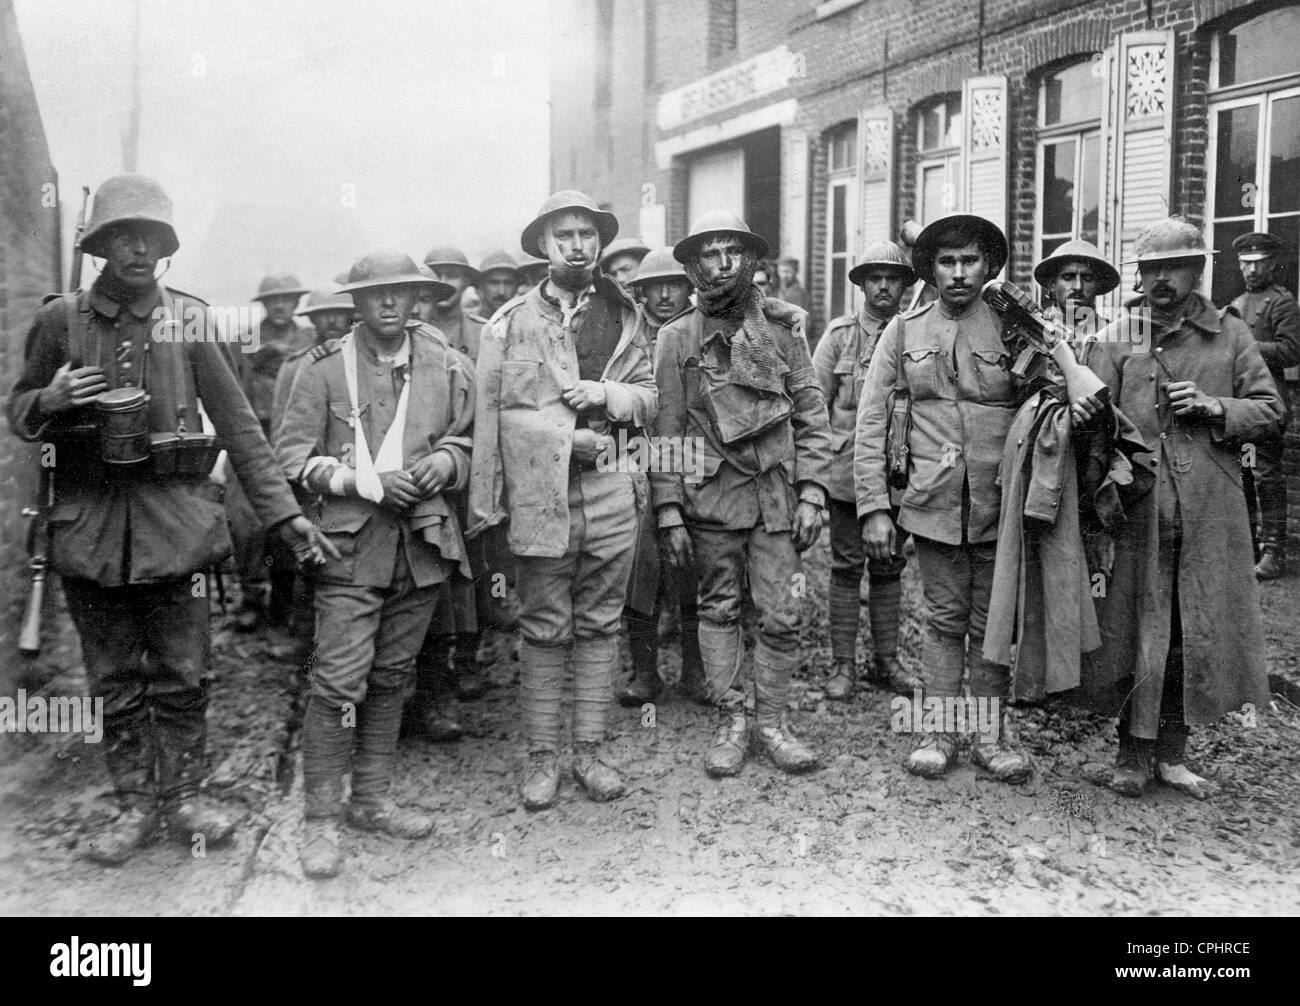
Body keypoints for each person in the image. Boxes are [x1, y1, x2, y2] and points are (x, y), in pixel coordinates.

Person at [7, 173, 334, 866]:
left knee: (185, 669)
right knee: (114, 675)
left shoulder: (188, 316)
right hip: (88, 526)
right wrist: (54, 398)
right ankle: (133, 804)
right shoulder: (59, 321)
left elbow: (241, 427)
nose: (140, 250)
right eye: (126, 236)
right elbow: (19, 411)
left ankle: (184, 794)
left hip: (175, 527)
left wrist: (284, 518)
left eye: (153, 238)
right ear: (101, 246)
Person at [277, 249, 474, 877]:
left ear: (418, 297)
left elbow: (468, 439)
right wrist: (362, 483)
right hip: (350, 546)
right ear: (355, 302)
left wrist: (447, 462)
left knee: (394, 676)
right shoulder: (325, 368)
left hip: (421, 543)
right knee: (338, 680)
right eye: (374, 294)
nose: (389, 304)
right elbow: (291, 458)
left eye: (401, 293)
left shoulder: (445, 363)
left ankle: (371, 799)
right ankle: (321, 820)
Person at [1077, 218, 1280, 799]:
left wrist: (1217, 408)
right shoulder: (1118, 335)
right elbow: (1096, 429)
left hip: (1209, 509)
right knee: (1135, 629)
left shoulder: (1231, 336)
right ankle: (1130, 754)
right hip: (1138, 510)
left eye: (1174, 267)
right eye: (1150, 269)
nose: (1160, 279)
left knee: (1191, 630)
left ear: (1198, 270)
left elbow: (1270, 411)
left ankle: (1172, 755)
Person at [468, 189, 657, 810]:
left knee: (602, 624)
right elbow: (493, 422)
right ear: (544, 246)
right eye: (564, 236)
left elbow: (652, 396)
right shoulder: (508, 326)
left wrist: (611, 397)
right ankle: (543, 758)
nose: (578, 245)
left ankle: (591, 753)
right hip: (540, 496)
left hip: (610, 488)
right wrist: (558, 440)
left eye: (587, 235)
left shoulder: (625, 315)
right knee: (545, 628)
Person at [652, 211, 832, 779]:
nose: (724, 264)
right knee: (719, 608)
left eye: (735, 252)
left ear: (751, 261)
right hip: (712, 501)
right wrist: (669, 510)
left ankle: (774, 723)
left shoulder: (782, 331)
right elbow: (667, 432)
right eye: (711, 253)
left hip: (776, 497)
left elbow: (811, 415)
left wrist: (813, 492)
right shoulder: (676, 337)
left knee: (781, 614)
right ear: (693, 265)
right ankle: (732, 721)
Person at [855, 213, 1032, 782]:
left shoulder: (1014, 328)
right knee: (942, 620)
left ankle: (986, 734)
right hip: (931, 503)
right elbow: (870, 423)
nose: (958, 274)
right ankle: (937, 729)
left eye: (969, 261)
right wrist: (874, 507)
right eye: (946, 262)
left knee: (991, 624)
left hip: (1000, 503)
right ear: (929, 269)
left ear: (989, 266)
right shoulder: (903, 331)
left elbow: (1049, 404)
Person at [812, 241, 920, 700]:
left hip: (899, 470)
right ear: (859, 284)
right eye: (873, 277)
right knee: (844, 566)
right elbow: (813, 408)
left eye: (892, 278)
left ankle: (886, 661)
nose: (882, 286)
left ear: (904, 285)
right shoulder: (838, 337)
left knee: (890, 566)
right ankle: (841, 666)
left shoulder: (916, 334)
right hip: (844, 474)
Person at [618, 247, 705, 705]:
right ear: (642, 290)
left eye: (674, 283)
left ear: (690, 285)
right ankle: (645, 672)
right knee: (641, 568)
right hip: (630, 457)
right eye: (656, 285)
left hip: (690, 456)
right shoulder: (626, 333)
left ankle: (696, 668)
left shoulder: (701, 328)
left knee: (691, 565)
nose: (666, 293)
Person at [227, 271, 314, 630]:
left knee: (294, 517)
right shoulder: (243, 340)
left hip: (296, 439)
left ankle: (289, 600)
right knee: (244, 521)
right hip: (252, 437)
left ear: (297, 303)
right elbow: (227, 391)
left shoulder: (309, 339)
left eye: (287, 298)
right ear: (263, 304)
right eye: (272, 299)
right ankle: (251, 594)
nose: (280, 305)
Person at [1230, 231, 1299, 580]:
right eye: (1245, 263)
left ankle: (1274, 551)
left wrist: (1246, 346)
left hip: (1268, 404)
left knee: (1266, 475)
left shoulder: (1282, 302)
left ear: (1271, 263)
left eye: (1258, 263)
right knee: (1244, 473)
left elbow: (1291, 350)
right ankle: (1250, 548)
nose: (1251, 269)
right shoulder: (1237, 304)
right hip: (1241, 406)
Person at [1033, 238, 1119, 339]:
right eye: (1068, 277)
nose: (1078, 287)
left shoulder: (1113, 335)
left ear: (1097, 286)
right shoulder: (1035, 330)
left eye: (1087, 278)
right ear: (1052, 284)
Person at [421, 245, 488, 361]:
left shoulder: (483, 332)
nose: (443, 283)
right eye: (436, 275)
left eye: (452, 276)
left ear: (466, 281)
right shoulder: (412, 328)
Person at [477, 249, 523, 318]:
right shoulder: (464, 322)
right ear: (480, 285)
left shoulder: (525, 321)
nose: (501, 292)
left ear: (517, 286)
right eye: (494, 283)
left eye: (508, 283)